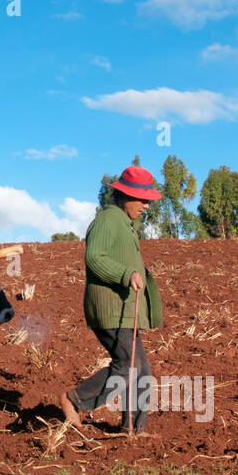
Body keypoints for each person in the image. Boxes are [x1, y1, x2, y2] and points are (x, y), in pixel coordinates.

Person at [60, 165, 164, 436]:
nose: (146, 206)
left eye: (148, 200)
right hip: (109, 308)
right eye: (142, 199)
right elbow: (94, 258)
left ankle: (133, 429)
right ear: (126, 196)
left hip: (124, 309)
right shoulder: (108, 220)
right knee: (127, 366)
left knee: (140, 371)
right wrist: (125, 274)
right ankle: (75, 400)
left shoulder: (125, 224)